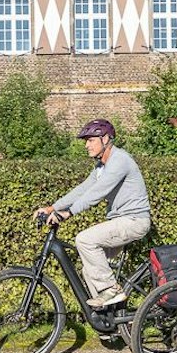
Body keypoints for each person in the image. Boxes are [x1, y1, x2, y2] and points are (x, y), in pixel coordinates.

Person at [36, 118, 151, 313]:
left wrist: (67, 213)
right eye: (86, 141)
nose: (86, 145)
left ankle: (111, 290)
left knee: (85, 239)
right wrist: (51, 207)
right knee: (90, 270)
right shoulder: (101, 167)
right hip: (120, 221)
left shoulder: (120, 160)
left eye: (90, 140)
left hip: (134, 221)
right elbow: (83, 189)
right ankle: (108, 322)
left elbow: (98, 192)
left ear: (105, 139)